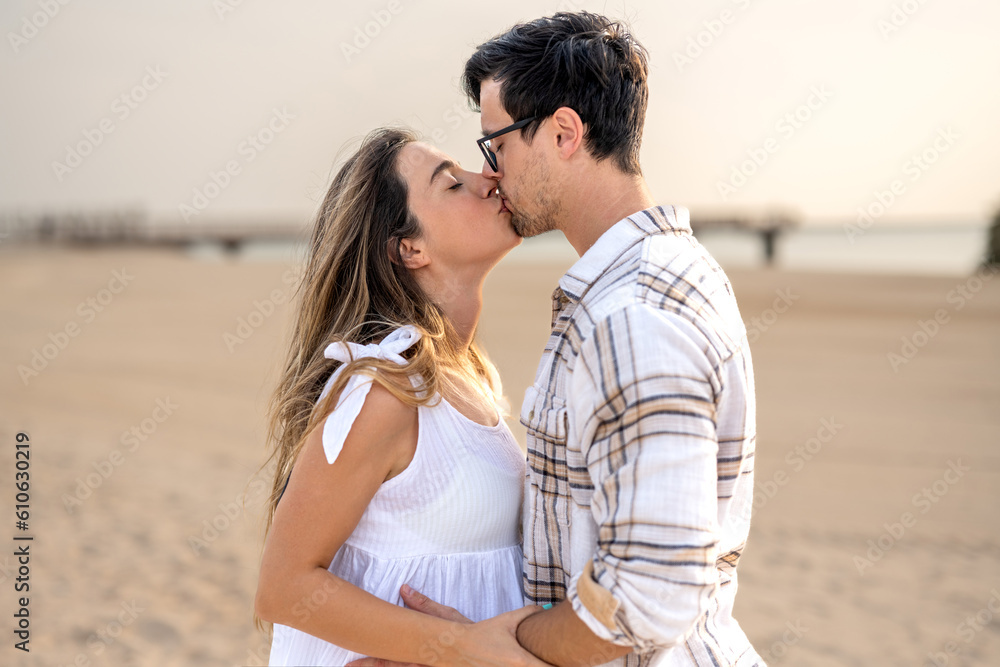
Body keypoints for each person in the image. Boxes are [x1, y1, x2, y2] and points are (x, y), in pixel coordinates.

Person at [349, 11, 765, 667]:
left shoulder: (632, 315)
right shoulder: (663, 279)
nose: (493, 172)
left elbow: (648, 595)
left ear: (564, 133)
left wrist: (492, 648)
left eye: (498, 144)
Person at [254, 127, 552, 666]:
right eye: (452, 185)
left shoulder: (468, 377)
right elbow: (282, 585)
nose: (486, 178)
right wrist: (460, 649)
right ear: (408, 248)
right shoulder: (384, 391)